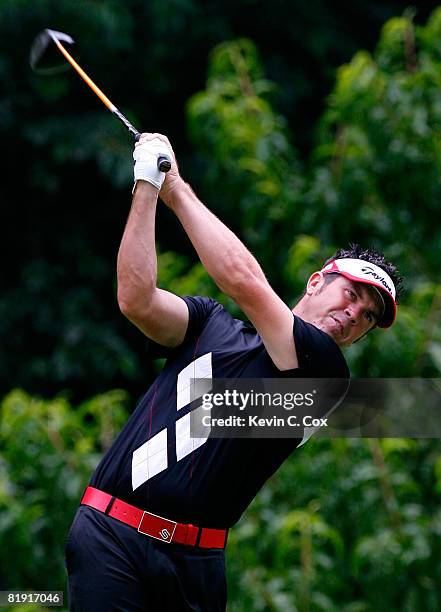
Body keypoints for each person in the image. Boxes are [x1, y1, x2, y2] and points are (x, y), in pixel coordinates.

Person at [65, 134, 403, 611]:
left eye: (368, 316)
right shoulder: (208, 323)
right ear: (316, 282)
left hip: (195, 566)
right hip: (109, 536)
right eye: (352, 294)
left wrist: (176, 189)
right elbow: (136, 299)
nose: (355, 315)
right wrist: (146, 186)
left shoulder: (324, 376)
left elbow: (244, 280)